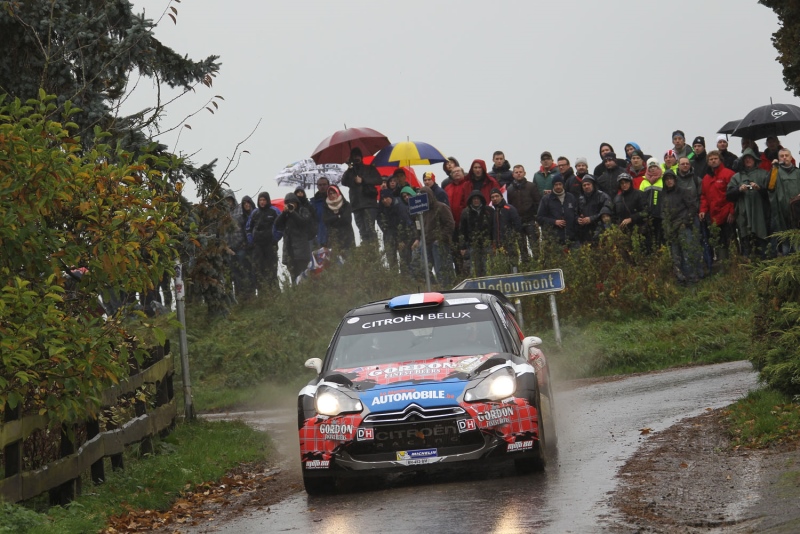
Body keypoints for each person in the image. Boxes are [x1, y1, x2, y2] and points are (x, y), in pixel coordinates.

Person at [726, 148, 769, 258]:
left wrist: (760, 189)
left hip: (761, 217)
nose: (748, 160)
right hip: (744, 217)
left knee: (763, 249)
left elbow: (771, 194)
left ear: (755, 160)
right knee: (747, 249)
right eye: (746, 158)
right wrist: (739, 190)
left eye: (750, 158)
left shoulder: (764, 174)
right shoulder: (737, 177)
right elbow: (729, 195)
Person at [661, 171, 702, 284]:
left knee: (688, 253)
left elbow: (692, 207)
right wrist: (666, 226)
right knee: (675, 255)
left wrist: (685, 222)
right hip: (671, 228)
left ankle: (692, 278)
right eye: (667, 179)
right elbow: (663, 212)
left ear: (675, 180)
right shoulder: (663, 195)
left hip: (683, 226)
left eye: (671, 178)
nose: (669, 181)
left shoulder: (683, 192)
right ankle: (681, 279)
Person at [411, 187, 455, 285]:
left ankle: (446, 288)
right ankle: (434, 287)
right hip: (426, 243)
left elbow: (450, 224)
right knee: (424, 269)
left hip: (439, 243)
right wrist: (418, 239)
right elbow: (418, 226)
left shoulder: (441, 207)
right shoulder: (421, 212)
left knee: (441, 269)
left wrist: (441, 238)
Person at [699, 150, 736, 264]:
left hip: (726, 214)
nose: (713, 161)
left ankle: (734, 264)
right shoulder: (706, 178)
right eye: (711, 159)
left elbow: (733, 195)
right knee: (718, 242)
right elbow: (704, 196)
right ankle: (722, 264)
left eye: (715, 158)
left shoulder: (728, 174)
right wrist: (703, 210)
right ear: (708, 162)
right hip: (714, 216)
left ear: (720, 160)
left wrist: (732, 211)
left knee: (730, 240)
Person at [341, 147, 382, 243]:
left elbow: (378, 180)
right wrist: (349, 167)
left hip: (369, 203)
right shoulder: (350, 172)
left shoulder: (369, 169)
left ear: (361, 157)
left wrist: (363, 180)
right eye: (354, 156)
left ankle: (373, 252)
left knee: (370, 230)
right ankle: (366, 251)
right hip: (356, 205)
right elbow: (344, 182)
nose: (356, 158)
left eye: (358, 156)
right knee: (362, 231)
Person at [274, 192, 314, 284]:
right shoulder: (286, 214)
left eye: (292, 202)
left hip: (302, 252)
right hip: (289, 252)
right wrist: (284, 213)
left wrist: (293, 212)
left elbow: (303, 223)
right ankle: (295, 297)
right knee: (293, 279)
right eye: (288, 203)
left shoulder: (303, 211)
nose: (290, 204)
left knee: (303, 278)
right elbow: (277, 224)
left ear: (296, 202)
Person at [766, 148, 800, 255]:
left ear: (791, 157)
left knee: (797, 242)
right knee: (786, 244)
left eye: (786, 155)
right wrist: (774, 168)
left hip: (797, 214)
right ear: (778, 158)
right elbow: (770, 187)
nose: (784, 157)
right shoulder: (775, 171)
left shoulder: (798, 172)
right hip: (781, 213)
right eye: (782, 156)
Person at [506, 164, 542, 262]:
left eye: (520, 172)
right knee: (522, 247)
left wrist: (536, 218)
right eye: (516, 172)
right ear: (513, 174)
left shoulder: (531, 186)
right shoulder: (509, 190)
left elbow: (538, 202)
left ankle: (538, 265)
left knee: (534, 245)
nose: (518, 174)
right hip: (517, 222)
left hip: (530, 220)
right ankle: (526, 267)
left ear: (524, 173)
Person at [247, 191, 280, 290]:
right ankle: (262, 294)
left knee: (271, 270)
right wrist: (251, 241)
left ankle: (274, 293)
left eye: (264, 200)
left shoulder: (274, 211)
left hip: (270, 245)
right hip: (258, 246)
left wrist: (275, 239)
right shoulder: (255, 212)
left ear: (268, 200)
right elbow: (248, 228)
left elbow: (280, 226)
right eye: (260, 200)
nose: (262, 202)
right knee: (258, 270)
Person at [378, 187, 414, 272]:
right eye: (382, 199)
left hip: (402, 236)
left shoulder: (400, 206)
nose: (384, 200)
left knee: (405, 260)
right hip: (389, 236)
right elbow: (380, 222)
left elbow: (406, 223)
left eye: (386, 198)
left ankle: (406, 278)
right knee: (391, 259)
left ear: (391, 197)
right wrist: (385, 229)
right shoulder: (381, 209)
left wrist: (402, 240)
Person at [459, 190, 493, 276]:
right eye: (474, 199)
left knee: (488, 268)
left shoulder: (488, 211)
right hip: (472, 244)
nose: (476, 200)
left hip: (487, 243)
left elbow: (494, 227)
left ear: (481, 199)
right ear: (471, 200)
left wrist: (494, 241)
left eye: (478, 198)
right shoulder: (465, 212)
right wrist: (463, 246)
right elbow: (462, 230)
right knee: (474, 269)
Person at [537, 175, 578, 245]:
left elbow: (576, 213)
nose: (558, 186)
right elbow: (540, 218)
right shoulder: (546, 199)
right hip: (554, 239)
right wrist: (554, 222)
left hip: (572, 238)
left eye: (560, 184)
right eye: (556, 185)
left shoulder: (571, 197)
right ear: (553, 185)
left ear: (563, 185)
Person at [576, 174, 612, 245]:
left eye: (588, 184)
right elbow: (576, 212)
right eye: (584, 185)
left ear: (593, 185)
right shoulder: (580, 199)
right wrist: (578, 219)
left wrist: (591, 219)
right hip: (585, 231)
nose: (586, 186)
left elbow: (607, 212)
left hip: (600, 228)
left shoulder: (603, 196)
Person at [489, 187, 523, 260]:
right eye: (492, 197)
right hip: (497, 245)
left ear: (501, 197)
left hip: (510, 244)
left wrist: (512, 237)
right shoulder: (492, 211)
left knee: (513, 264)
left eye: (497, 196)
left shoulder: (509, 209)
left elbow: (517, 225)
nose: (495, 198)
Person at [322, 185, 355, 253]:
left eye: (334, 192)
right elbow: (326, 221)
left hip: (347, 237)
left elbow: (347, 220)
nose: (332, 195)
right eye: (330, 193)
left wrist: (333, 220)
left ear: (338, 192)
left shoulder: (346, 205)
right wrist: (337, 217)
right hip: (333, 238)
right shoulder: (326, 207)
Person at [310, 178, 330, 247]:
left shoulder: (334, 200)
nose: (322, 187)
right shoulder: (313, 203)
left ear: (328, 185)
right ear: (317, 186)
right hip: (319, 236)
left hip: (332, 236)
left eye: (324, 184)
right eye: (320, 185)